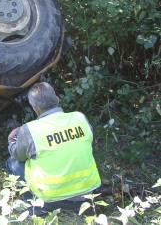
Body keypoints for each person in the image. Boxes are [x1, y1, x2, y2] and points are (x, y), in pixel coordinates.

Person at [6, 82, 101, 210]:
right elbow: (89, 142)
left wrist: (12, 140)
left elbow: (19, 156)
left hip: (50, 199)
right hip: (89, 195)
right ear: (57, 99)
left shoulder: (29, 130)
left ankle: (34, 206)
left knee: (12, 163)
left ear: (35, 108)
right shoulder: (80, 118)